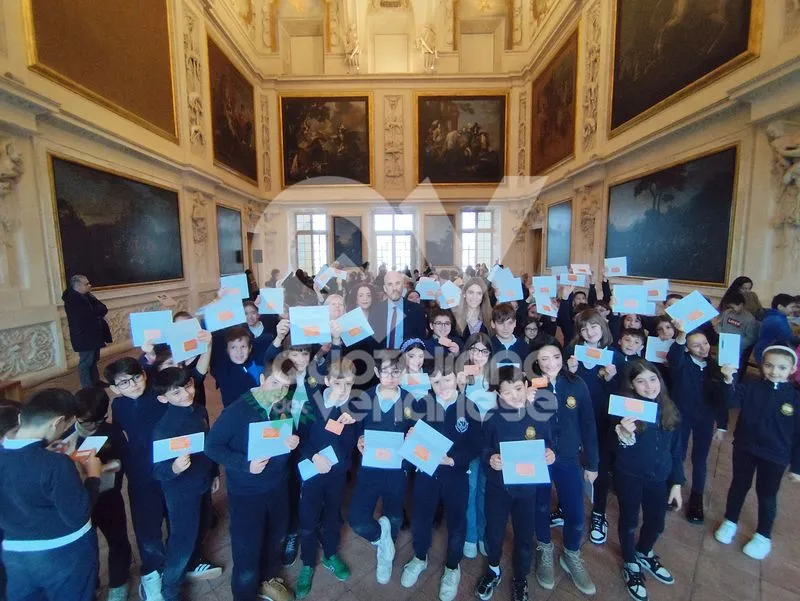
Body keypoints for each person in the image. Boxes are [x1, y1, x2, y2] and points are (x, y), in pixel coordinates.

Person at [205, 358, 299, 601]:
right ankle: (245, 593)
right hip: (247, 493)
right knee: (247, 549)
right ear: (261, 379)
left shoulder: (283, 404)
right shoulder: (237, 411)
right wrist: (245, 464)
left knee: (275, 535)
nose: (279, 390)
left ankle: (267, 580)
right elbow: (212, 446)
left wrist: (292, 441)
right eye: (275, 382)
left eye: (285, 385)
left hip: (278, 486)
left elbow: (282, 436)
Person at [0, 389, 102, 601]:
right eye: (66, 426)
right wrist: (93, 475)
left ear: (21, 417)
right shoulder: (55, 464)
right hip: (64, 551)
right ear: (57, 423)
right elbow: (78, 515)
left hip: (15, 552)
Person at [400, 362, 480, 601]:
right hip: (427, 473)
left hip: (456, 476)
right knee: (421, 518)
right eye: (436, 382)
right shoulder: (423, 404)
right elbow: (412, 432)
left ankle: (453, 567)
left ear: (456, 378)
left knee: (457, 524)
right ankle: (419, 557)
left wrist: (454, 461)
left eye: (447, 379)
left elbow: (476, 446)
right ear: (430, 384)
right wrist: (410, 436)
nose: (442, 386)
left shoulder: (470, 407)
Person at [475, 366, 556, 601]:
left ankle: (520, 577)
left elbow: (548, 443)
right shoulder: (491, 417)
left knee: (523, 535)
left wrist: (550, 454)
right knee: (494, 532)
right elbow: (483, 447)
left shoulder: (538, 415)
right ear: (499, 395)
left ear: (527, 386)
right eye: (507, 392)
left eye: (519, 388)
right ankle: (493, 569)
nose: (515, 395)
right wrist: (490, 457)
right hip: (498, 487)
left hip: (527, 490)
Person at [715, 345, 800, 560]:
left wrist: (797, 466)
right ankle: (730, 520)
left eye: (781, 367)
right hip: (745, 446)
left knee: (767, 494)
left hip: (776, 455)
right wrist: (727, 380)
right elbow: (731, 401)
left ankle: (763, 535)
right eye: (769, 365)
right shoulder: (751, 386)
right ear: (762, 365)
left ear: (792, 369)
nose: (774, 371)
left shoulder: (796, 399)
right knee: (738, 485)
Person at [613, 359, 684, 601]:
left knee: (656, 521)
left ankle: (644, 551)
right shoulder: (626, 410)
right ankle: (630, 562)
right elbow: (617, 448)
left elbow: (676, 450)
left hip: (659, 477)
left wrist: (676, 483)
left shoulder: (669, 408)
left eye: (653, 379)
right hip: (630, 475)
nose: (649, 385)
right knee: (629, 519)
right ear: (632, 386)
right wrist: (624, 434)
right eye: (640, 381)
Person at [152, 368, 222, 601]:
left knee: (203, 525)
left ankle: (194, 562)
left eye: (188, 386)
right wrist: (174, 468)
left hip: (202, 482)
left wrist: (213, 473)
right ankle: (170, 589)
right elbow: (158, 471)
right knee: (182, 539)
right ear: (163, 398)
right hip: (180, 492)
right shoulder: (164, 429)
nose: (186, 394)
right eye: (176, 392)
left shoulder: (200, 410)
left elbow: (209, 446)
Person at [533, 343, 598, 596]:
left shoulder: (577, 384)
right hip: (541, 458)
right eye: (544, 358)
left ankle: (571, 554)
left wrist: (592, 462)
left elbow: (589, 424)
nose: (551, 363)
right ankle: (545, 549)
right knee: (540, 506)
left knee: (576, 513)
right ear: (537, 362)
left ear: (564, 358)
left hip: (569, 458)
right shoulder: (532, 386)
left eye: (556, 357)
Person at [293, 359, 358, 598]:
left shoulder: (353, 408)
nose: (344, 389)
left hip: (337, 473)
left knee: (332, 515)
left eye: (349, 384)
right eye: (339, 383)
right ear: (328, 381)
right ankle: (308, 562)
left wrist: (352, 425)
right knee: (308, 518)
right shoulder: (313, 403)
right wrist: (313, 457)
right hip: (312, 471)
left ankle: (330, 553)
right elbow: (298, 437)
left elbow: (352, 444)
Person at [347, 352, 414, 584]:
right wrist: (359, 440)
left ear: (402, 373)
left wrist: (412, 437)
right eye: (385, 371)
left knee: (394, 516)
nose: (391, 376)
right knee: (356, 519)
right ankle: (380, 539)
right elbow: (356, 428)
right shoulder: (364, 398)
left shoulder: (411, 400)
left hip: (397, 469)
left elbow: (417, 432)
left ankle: (386, 556)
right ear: (376, 373)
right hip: (370, 468)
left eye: (396, 371)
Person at [104, 358, 167, 601]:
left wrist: (148, 358)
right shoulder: (119, 406)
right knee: (146, 526)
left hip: (170, 468)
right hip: (140, 475)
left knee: (175, 516)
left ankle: (177, 564)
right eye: (124, 382)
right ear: (114, 388)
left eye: (137, 377)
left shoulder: (159, 395)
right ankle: (151, 573)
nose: (133, 384)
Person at [667, 320, 736, 524]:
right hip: (681, 416)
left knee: (700, 458)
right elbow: (674, 355)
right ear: (688, 348)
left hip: (704, 419)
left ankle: (696, 496)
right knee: (677, 452)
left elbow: (723, 401)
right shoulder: (681, 362)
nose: (702, 348)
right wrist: (680, 335)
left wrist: (722, 425)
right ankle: (673, 486)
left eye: (705, 343)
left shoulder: (717, 367)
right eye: (696, 345)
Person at [564, 309, 619, 544]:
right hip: (574, 420)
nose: (589, 332)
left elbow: (621, 397)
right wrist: (570, 372)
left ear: (603, 327)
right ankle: (567, 505)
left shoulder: (614, 356)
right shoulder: (572, 352)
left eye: (593, 326)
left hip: (602, 421)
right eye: (584, 328)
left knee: (599, 467)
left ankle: (598, 513)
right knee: (571, 464)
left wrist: (610, 379)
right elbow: (563, 385)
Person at [73, 388, 132, 601]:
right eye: (82, 422)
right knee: (86, 545)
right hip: (79, 497)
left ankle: (118, 582)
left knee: (117, 540)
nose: (86, 427)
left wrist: (103, 467)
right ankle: (92, 585)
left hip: (108, 494)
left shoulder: (112, 432)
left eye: (91, 423)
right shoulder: (68, 432)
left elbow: (124, 461)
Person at [459, 333, 494, 558]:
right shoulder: (462, 375)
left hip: (491, 443)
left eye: (484, 351)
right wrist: (459, 388)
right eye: (474, 350)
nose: (479, 356)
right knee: (470, 489)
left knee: (485, 490)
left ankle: (483, 534)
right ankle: (471, 535)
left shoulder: (497, 376)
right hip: (469, 442)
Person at [62, 274, 111, 387]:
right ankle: (87, 386)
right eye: (87, 284)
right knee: (86, 362)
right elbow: (90, 314)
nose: (90, 285)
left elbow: (103, 307)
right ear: (78, 285)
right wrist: (97, 311)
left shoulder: (87, 295)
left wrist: (97, 310)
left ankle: (95, 381)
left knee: (94, 359)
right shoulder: (72, 299)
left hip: (93, 334)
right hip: (84, 335)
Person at [369, 271, 427, 349]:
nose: (394, 288)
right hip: (381, 358)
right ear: (385, 288)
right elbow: (371, 341)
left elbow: (420, 339)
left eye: (397, 283)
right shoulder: (375, 310)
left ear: (403, 286)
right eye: (390, 284)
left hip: (407, 358)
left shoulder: (416, 310)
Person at [715, 291, 760, 373]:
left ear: (741, 305)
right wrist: (720, 333)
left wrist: (735, 343)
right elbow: (719, 324)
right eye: (730, 307)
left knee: (732, 370)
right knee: (719, 366)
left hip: (737, 348)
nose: (731, 309)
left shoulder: (749, 319)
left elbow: (751, 338)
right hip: (723, 344)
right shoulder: (727, 313)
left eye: (733, 307)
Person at [754, 294, 800, 363]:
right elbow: (790, 339)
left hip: (766, 352)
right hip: (768, 355)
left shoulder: (773, 316)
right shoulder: (777, 320)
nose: (793, 310)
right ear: (780, 307)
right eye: (792, 307)